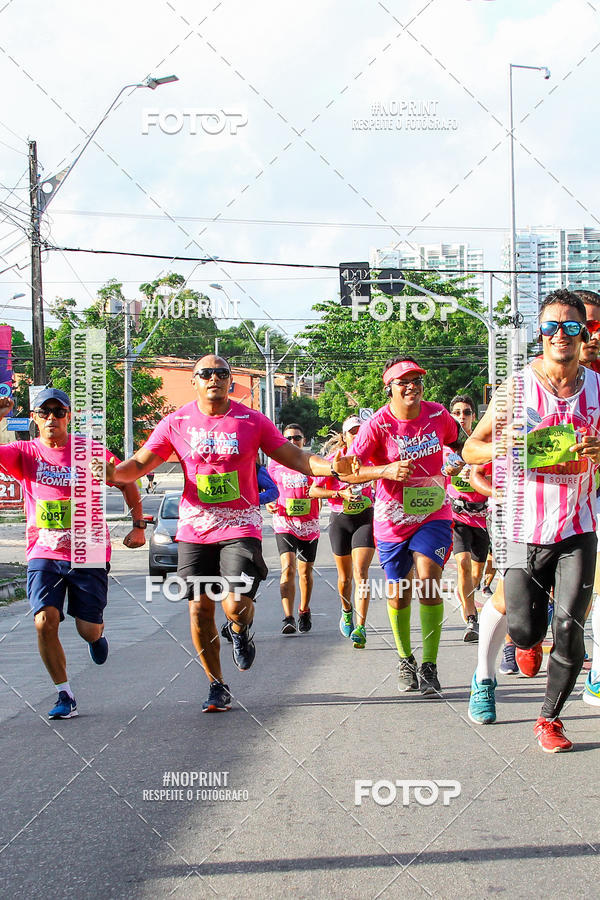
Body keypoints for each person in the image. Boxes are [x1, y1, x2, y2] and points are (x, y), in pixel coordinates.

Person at [97, 355, 356, 713]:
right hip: (194, 529)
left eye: (221, 373)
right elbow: (138, 465)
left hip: (240, 525)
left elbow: (294, 456)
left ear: (230, 381)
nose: (214, 378)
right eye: (206, 373)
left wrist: (332, 467)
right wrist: (113, 474)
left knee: (234, 604)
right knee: (200, 610)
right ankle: (216, 684)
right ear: (195, 381)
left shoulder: (251, 420)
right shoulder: (176, 422)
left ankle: (240, 629)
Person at [466, 289, 600, 752]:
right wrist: (507, 446)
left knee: (570, 627)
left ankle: (550, 718)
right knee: (526, 629)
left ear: (584, 330)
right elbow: (470, 450)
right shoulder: (517, 388)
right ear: (539, 334)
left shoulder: (599, 388)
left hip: (578, 525)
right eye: (549, 327)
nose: (559, 335)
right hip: (521, 528)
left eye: (569, 326)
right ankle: (523, 642)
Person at [0, 389, 145, 719]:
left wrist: (138, 525)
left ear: (69, 416)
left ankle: (97, 635)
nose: (52, 418)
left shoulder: (88, 451)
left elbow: (124, 480)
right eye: (44, 412)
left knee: (86, 630)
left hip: (88, 550)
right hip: (44, 551)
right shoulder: (23, 452)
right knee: (43, 621)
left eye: (58, 411)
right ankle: (64, 693)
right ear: (34, 418)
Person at [349, 356, 467, 696]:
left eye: (416, 380)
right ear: (390, 388)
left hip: (433, 510)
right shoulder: (378, 425)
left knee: (428, 579)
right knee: (398, 592)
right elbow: (348, 470)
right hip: (392, 517)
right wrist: (383, 471)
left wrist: (459, 461)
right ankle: (405, 658)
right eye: (403, 381)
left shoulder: (437, 415)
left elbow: (463, 444)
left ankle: (429, 664)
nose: (411, 386)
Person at [310, 415, 376, 649]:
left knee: (361, 572)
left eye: (361, 431)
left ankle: (361, 626)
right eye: (353, 432)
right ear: (345, 436)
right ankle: (347, 610)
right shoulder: (333, 460)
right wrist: (339, 494)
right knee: (345, 578)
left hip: (365, 519)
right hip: (340, 520)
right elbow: (313, 491)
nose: (358, 435)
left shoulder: (372, 458)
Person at [444, 394, 489, 643]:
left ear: (474, 416)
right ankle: (472, 618)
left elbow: (493, 475)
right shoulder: (443, 448)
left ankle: (469, 601)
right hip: (457, 517)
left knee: (476, 572)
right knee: (462, 564)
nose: (462, 417)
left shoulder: (482, 444)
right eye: (457, 412)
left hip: (482, 517)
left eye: (467, 412)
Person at [267, 424, 320, 635]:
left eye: (297, 438)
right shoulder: (274, 464)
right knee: (287, 567)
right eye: (288, 438)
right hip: (284, 522)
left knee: (305, 573)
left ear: (304, 440)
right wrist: (269, 502)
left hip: (308, 524)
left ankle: (304, 610)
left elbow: (322, 486)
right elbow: (268, 489)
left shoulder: (310, 462)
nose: (292, 442)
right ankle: (288, 617)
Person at [574, 288, 600, 705]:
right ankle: (519, 641)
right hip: (549, 506)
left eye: (598, 326)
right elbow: (479, 449)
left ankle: (596, 669)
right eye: (585, 326)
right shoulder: (531, 381)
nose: (592, 335)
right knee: (517, 610)